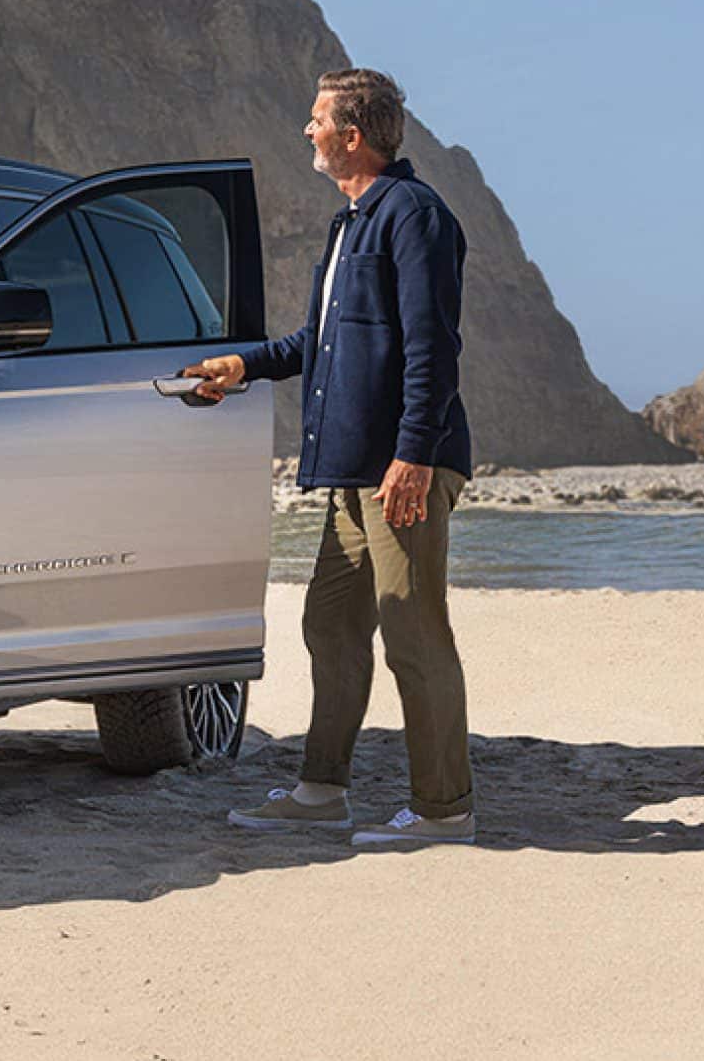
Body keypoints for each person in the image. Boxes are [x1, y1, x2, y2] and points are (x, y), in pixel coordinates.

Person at [179, 67, 480, 846]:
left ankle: (445, 810)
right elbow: (322, 343)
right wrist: (244, 366)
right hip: (355, 471)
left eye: (316, 120)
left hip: (399, 469)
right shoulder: (350, 223)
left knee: (413, 633)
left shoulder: (412, 215)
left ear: (352, 134)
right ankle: (322, 790)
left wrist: (414, 455)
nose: (305, 131)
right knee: (330, 625)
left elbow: (432, 347)